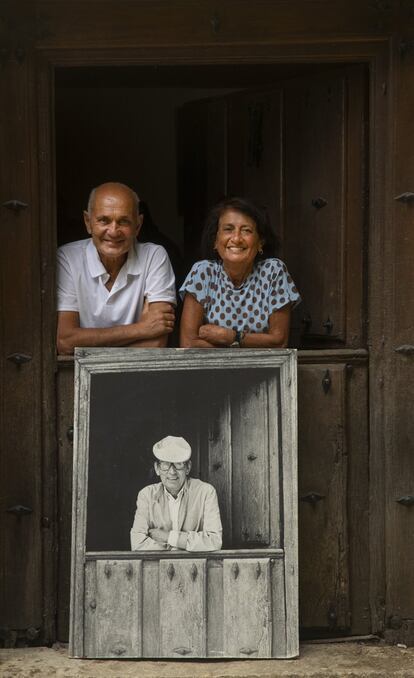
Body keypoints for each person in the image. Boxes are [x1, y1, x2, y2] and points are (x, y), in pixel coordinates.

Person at [56, 182, 176, 354]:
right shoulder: (67, 258)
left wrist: (85, 344)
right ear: (88, 222)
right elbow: (65, 341)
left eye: (123, 221)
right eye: (104, 220)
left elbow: (156, 344)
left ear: (138, 225)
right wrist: (141, 329)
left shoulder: (154, 256)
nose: (113, 231)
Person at [179, 197, 300, 348]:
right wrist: (247, 345)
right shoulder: (203, 272)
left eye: (246, 230)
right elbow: (188, 343)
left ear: (260, 241)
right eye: (228, 229)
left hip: (264, 370)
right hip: (211, 370)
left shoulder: (273, 272)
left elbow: (279, 343)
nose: (236, 238)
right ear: (215, 241)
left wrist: (230, 336)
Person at [130, 436, 222, 552]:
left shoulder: (206, 492)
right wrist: (182, 545)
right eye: (165, 465)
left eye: (178, 464)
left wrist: (168, 537)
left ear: (188, 467)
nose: (172, 472)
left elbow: (215, 541)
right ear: (157, 468)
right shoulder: (146, 495)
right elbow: (137, 544)